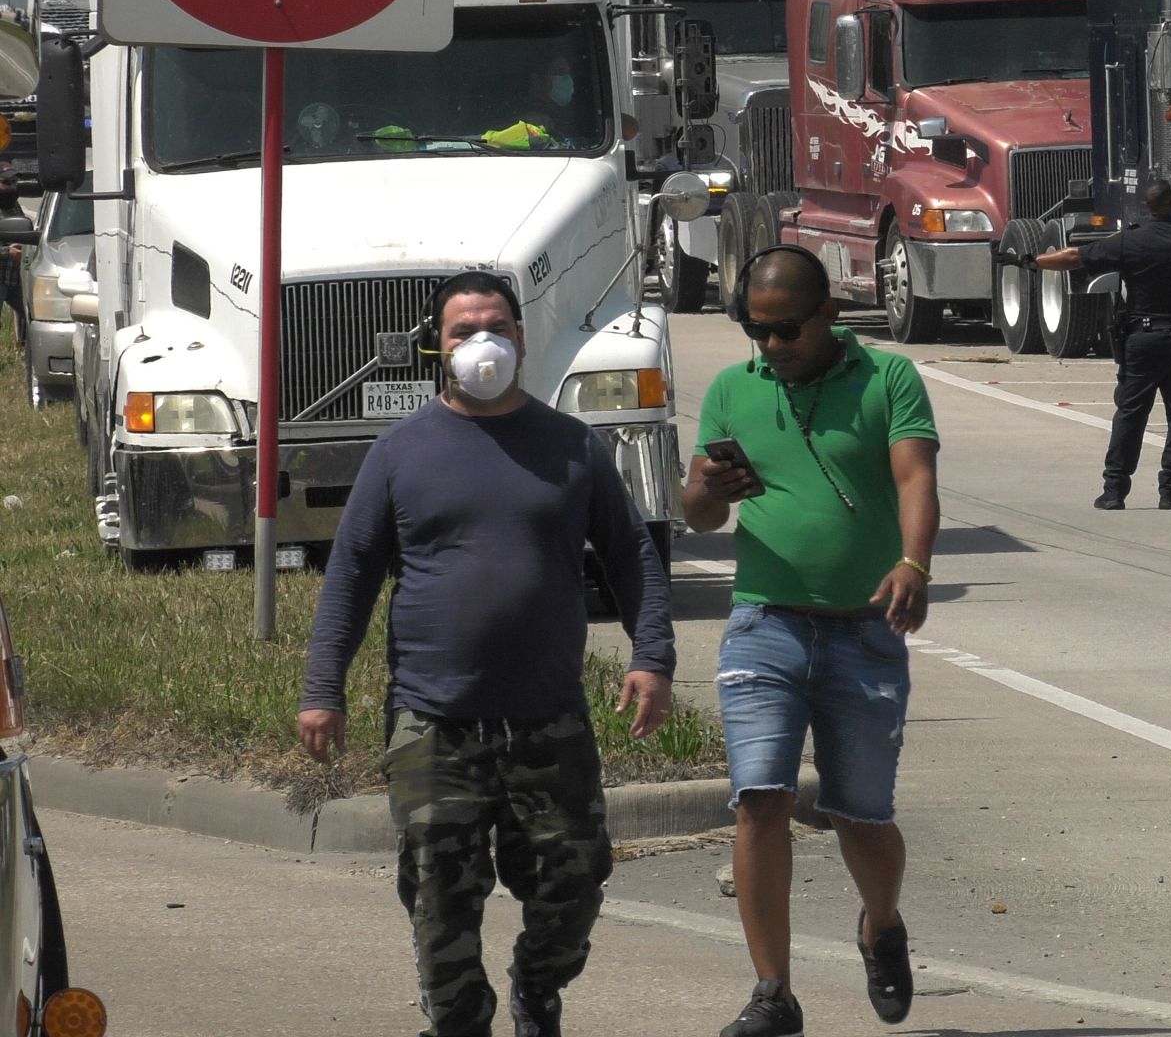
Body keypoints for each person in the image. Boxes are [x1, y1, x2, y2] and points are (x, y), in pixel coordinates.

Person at [299, 271, 677, 1037]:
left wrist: (653, 655)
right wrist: (322, 689)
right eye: (465, 330)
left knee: (574, 884)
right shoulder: (401, 452)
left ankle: (539, 987)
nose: (483, 343)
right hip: (434, 720)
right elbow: (350, 576)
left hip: (549, 717)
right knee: (440, 898)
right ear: (438, 347)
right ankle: (459, 1021)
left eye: (497, 327)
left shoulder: (571, 445)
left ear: (522, 338)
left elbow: (631, 555)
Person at [683, 246, 941, 1037]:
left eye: (785, 330)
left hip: (865, 629)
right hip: (765, 621)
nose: (769, 347)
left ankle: (880, 924)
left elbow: (913, 478)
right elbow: (697, 514)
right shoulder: (733, 389)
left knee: (859, 815)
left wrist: (913, 564)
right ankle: (773, 995)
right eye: (754, 330)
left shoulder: (888, 379)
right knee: (760, 798)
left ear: (827, 313)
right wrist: (705, 491)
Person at [1008, 179, 1171, 509]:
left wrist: (1030, 262)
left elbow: (1073, 257)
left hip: (1142, 340)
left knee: (1130, 415)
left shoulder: (1128, 242)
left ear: (1148, 207)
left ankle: (1114, 491)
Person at [0, 164, 26, 344]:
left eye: (14, 182)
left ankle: (22, 348)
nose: (11, 187)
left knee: (29, 311)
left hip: (14, 275)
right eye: (6, 182)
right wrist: (6, 251)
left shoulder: (14, 206)